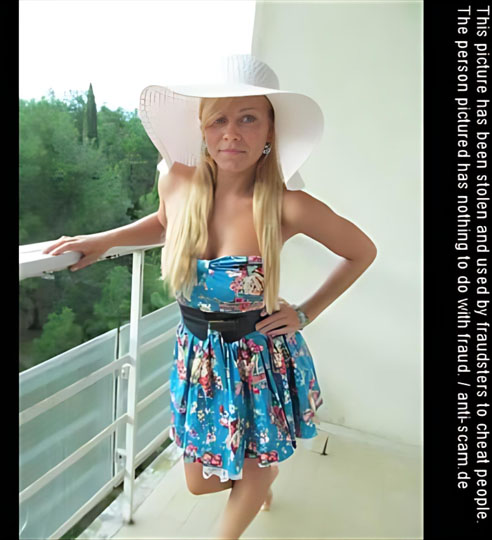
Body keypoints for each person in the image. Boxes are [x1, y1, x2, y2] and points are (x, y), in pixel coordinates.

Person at [42, 54, 377, 540]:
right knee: (200, 482)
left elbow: (361, 252)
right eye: (218, 119)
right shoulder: (176, 180)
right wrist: (104, 240)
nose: (231, 133)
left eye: (248, 118)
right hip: (198, 356)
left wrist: (305, 313)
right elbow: (165, 224)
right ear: (202, 128)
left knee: (251, 464)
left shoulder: (288, 205)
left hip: (257, 358)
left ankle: (252, 487)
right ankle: (260, 476)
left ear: (271, 130)